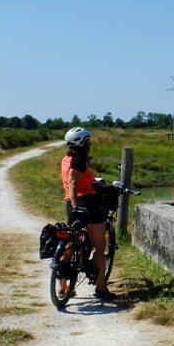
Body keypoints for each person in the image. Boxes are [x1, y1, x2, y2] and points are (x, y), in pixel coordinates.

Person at [60, 127, 115, 300]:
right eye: (88, 141)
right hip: (86, 204)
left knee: (72, 243)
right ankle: (101, 288)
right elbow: (73, 183)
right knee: (100, 248)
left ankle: (63, 288)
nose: (89, 144)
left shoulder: (66, 159)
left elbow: (73, 183)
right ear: (83, 143)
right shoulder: (79, 161)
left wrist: (73, 207)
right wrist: (78, 208)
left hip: (70, 203)